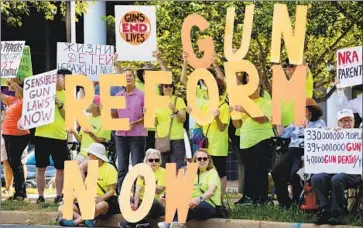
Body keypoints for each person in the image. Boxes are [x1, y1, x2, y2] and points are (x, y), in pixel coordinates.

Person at [271, 98, 326, 208]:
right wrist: (278, 121)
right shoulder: (296, 122)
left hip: (306, 151)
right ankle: (284, 202)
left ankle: (297, 202)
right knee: (276, 171)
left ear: (310, 111)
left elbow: (320, 139)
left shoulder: (320, 123)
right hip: (292, 150)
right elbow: (283, 134)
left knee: (295, 173)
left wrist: (307, 128)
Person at [311, 109, 362, 225]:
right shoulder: (332, 135)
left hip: (352, 173)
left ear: (354, 122)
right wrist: (330, 135)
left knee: (337, 179)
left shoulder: (359, 135)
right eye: (343, 121)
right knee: (316, 178)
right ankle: (325, 209)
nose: (347, 124)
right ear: (338, 123)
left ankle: (337, 213)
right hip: (333, 171)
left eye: (349, 120)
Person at [232, 82, 274, 205]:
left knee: (260, 170)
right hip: (246, 141)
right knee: (249, 170)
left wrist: (245, 110)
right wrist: (233, 114)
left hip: (261, 139)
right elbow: (237, 125)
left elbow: (262, 119)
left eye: (258, 86)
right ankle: (248, 197)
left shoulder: (266, 102)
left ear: (260, 88)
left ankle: (261, 198)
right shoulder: (242, 103)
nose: (255, 89)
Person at [57, 143, 119, 227]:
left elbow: (112, 191)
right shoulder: (87, 167)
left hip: (104, 200)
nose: (87, 156)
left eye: (89, 154)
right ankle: (84, 221)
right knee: (62, 208)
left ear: (97, 157)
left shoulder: (110, 169)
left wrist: (101, 198)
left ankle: (75, 222)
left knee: (101, 205)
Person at [158, 148, 221, 228]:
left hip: (209, 205)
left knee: (190, 207)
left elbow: (211, 191)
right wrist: (166, 196)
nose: (202, 161)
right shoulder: (192, 173)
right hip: (190, 204)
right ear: (195, 161)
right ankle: (176, 223)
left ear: (209, 160)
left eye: (205, 158)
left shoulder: (212, 172)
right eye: (199, 159)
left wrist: (199, 199)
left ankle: (173, 222)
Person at [34, 68, 71, 204]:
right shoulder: (42, 91)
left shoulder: (68, 95)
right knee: (41, 167)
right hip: (42, 134)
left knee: (60, 167)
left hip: (59, 136)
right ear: (57, 77)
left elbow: (68, 116)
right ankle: (41, 196)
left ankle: (58, 195)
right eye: (64, 79)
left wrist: (60, 104)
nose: (65, 82)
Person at [113, 68, 146, 192]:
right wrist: (108, 110)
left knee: (137, 165)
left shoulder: (142, 95)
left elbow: (148, 114)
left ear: (134, 78)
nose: (128, 78)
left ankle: (137, 194)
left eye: (130, 75)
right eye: (125, 76)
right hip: (121, 135)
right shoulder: (117, 96)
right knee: (122, 167)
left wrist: (135, 123)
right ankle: (123, 194)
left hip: (137, 135)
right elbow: (114, 116)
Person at [119, 149, 166, 228]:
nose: (154, 162)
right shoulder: (142, 172)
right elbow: (137, 191)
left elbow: (158, 191)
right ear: (146, 161)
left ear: (160, 161)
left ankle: (132, 223)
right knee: (124, 198)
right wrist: (135, 205)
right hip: (142, 202)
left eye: (156, 160)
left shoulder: (163, 172)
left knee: (150, 201)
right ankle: (140, 222)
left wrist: (146, 180)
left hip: (157, 203)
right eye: (151, 160)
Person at [1, 79, 30, 201]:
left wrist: (13, 83)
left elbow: (24, 94)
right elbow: (2, 96)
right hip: (7, 135)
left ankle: (20, 193)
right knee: (13, 163)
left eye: (12, 85)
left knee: (16, 163)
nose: (9, 86)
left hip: (18, 136)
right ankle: (19, 191)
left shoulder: (25, 100)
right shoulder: (12, 100)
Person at [68, 95, 111, 165]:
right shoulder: (86, 119)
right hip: (83, 153)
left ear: (96, 105)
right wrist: (73, 132)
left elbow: (101, 141)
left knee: (80, 168)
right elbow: (80, 140)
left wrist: (91, 134)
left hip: (96, 154)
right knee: (72, 168)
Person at [154, 82, 187, 169]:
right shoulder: (156, 102)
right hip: (162, 139)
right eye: (166, 86)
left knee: (177, 168)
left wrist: (175, 110)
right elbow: (155, 123)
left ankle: (175, 183)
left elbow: (183, 119)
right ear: (162, 88)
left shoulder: (178, 100)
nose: (168, 88)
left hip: (177, 139)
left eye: (171, 86)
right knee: (162, 168)